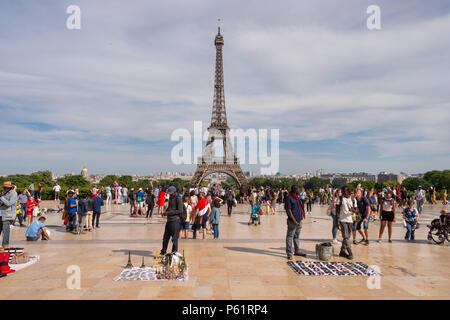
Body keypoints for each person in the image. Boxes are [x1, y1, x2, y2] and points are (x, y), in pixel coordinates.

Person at [160, 186, 185, 255]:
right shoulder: (171, 197)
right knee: (165, 238)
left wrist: (168, 213)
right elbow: (171, 208)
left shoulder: (179, 199)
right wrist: (165, 212)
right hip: (169, 220)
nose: (170, 194)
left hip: (175, 221)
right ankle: (163, 251)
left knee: (174, 239)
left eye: (171, 193)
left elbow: (180, 211)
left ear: (175, 192)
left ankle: (174, 253)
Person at [285, 185, 306, 260]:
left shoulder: (297, 197)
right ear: (294, 190)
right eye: (297, 189)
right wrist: (294, 221)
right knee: (290, 236)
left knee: (297, 236)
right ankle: (289, 253)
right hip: (292, 221)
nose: (299, 190)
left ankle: (297, 251)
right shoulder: (289, 197)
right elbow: (288, 210)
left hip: (299, 220)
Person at [337, 186, 355, 260]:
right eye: (342, 191)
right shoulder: (340, 199)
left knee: (347, 237)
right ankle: (350, 252)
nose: (343, 193)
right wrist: (337, 221)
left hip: (350, 220)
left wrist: (355, 210)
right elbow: (337, 210)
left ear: (348, 191)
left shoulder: (353, 199)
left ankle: (342, 251)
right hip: (342, 220)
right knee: (346, 237)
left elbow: (356, 208)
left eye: (344, 191)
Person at [0, 181, 18, 249]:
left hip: (8, 215)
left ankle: (5, 246)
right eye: (4, 187)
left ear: (9, 188)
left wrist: (1, 197)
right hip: (2, 214)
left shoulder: (13, 193)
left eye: (5, 188)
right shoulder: (5, 193)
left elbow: (9, 203)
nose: (4, 189)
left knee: (6, 232)